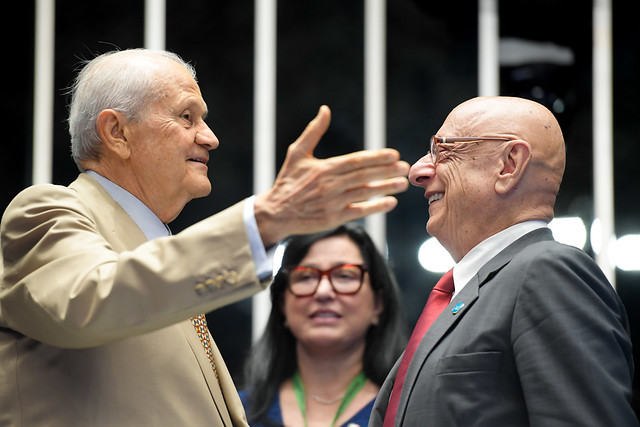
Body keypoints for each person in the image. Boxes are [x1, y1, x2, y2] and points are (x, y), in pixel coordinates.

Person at [0, 48, 410, 426]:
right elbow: (90, 300)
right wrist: (263, 220)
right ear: (117, 133)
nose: (210, 137)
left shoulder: (159, 257)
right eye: (187, 117)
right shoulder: (44, 211)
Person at [369, 96, 637, 426]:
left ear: (508, 165)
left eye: (444, 151)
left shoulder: (548, 272)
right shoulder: (478, 289)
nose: (417, 172)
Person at [240, 222, 407, 426]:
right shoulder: (238, 412)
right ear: (283, 303)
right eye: (306, 276)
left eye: (345, 275)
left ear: (378, 304)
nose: (323, 292)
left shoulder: (406, 410)